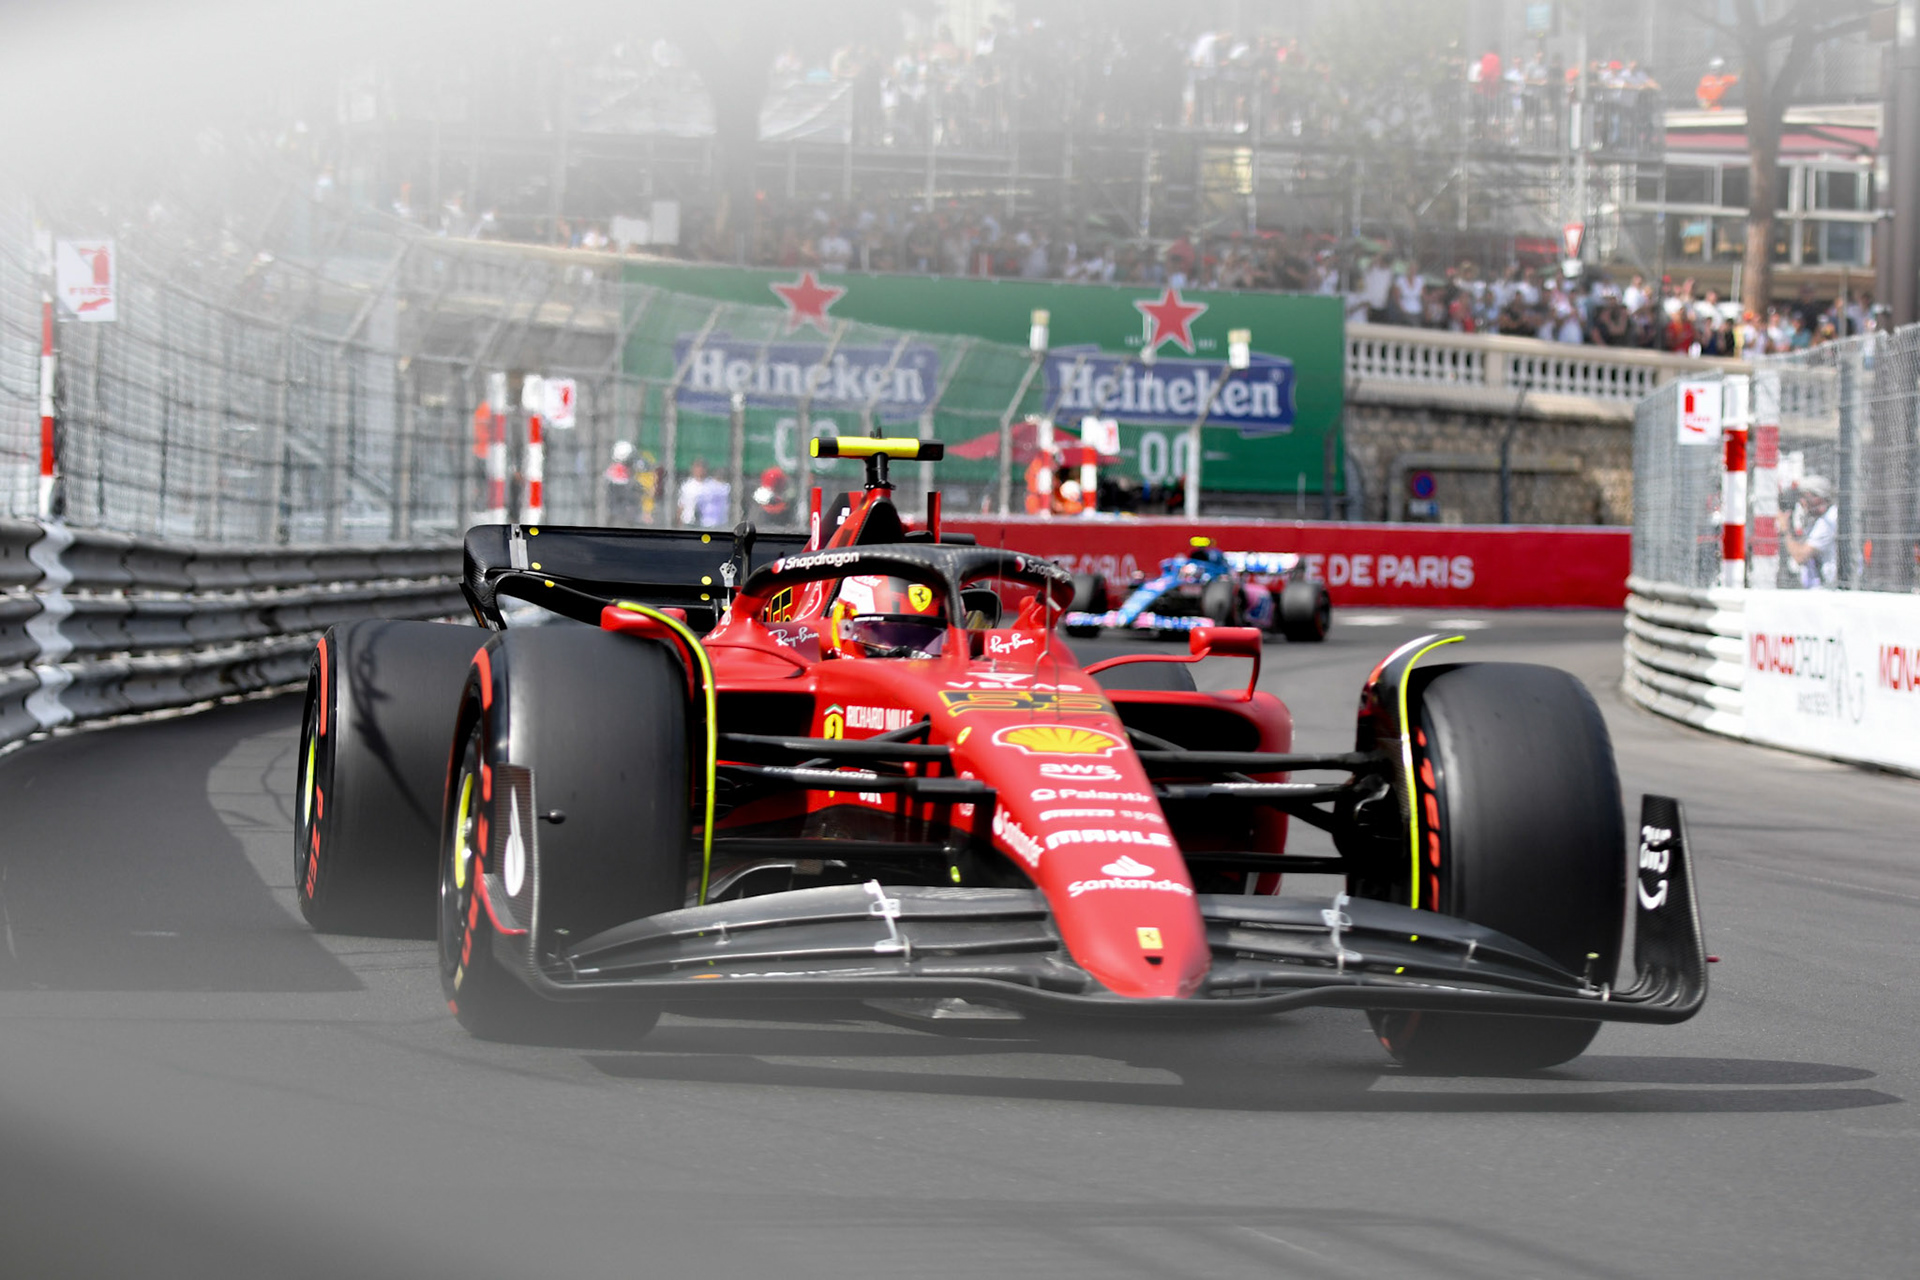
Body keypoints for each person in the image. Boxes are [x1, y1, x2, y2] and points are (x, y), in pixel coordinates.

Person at [1781, 475, 1838, 589]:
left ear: (1818, 497)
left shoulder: (1829, 520)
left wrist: (1785, 530)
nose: (1802, 502)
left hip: (1827, 590)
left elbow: (1800, 556)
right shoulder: (1815, 520)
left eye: (1805, 497)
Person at [677, 456, 732, 528]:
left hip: (708, 525)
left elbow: (726, 492)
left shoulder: (714, 485)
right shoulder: (687, 486)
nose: (700, 470)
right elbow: (681, 505)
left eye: (702, 467)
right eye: (697, 467)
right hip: (690, 523)